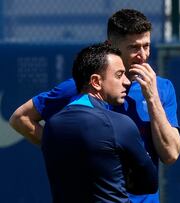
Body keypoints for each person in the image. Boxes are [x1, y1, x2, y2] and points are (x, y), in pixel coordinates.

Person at [9, 8, 180, 203]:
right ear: (111, 46)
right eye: (134, 47)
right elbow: (21, 118)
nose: (143, 55)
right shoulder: (81, 87)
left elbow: (171, 154)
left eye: (147, 46)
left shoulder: (162, 89)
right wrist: (67, 151)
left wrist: (152, 98)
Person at [42, 43, 158, 203]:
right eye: (119, 75)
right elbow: (149, 184)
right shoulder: (119, 124)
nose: (127, 82)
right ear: (96, 81)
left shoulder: (51, 125)